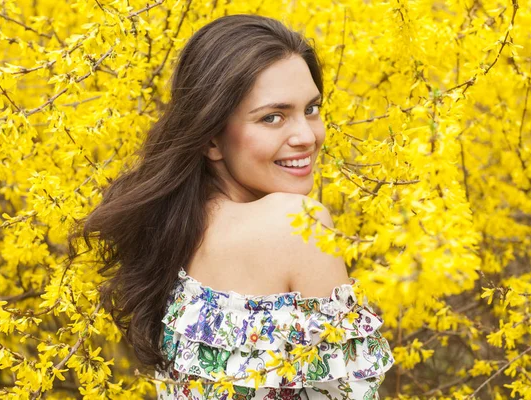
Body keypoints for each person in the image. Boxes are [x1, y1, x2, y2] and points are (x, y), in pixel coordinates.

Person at [73, 13, 394, 399]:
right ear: (211, 138)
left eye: (311, 109)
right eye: (272, 117)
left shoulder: (176, 231)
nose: (307, 136)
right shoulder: (299, 223)